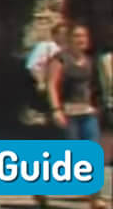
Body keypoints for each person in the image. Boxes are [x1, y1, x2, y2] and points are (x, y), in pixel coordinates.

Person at [45, 23, 109, 209]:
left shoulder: (89, 60)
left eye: (84, 37)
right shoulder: (60, 60)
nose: (81, 40)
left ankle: (94, 198)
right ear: (69, 39)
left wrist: (96, 106)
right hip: (68, 112)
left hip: (87, 113)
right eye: (77, 36)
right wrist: (56, 109)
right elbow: (51, 85)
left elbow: (93, 86)